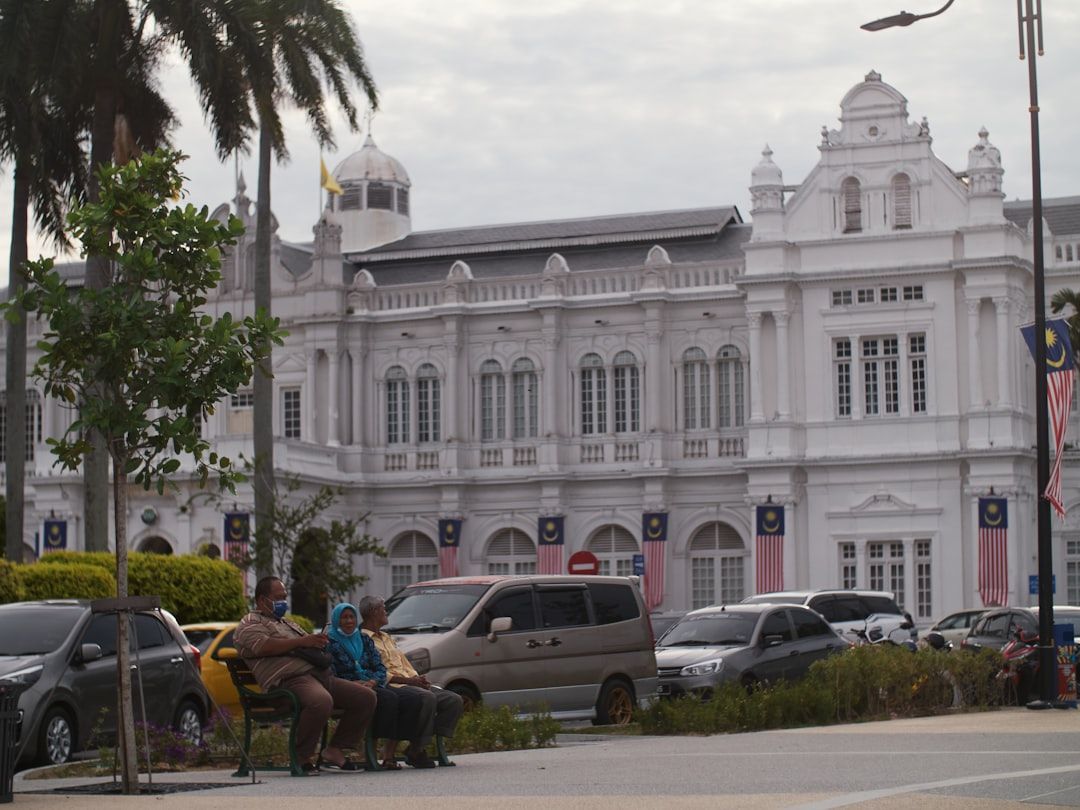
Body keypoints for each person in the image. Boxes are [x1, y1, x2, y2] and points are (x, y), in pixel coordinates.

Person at [234, 576, 376, 774]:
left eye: (284, 596)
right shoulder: (249, 624)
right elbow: (264, 646)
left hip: (319, 676)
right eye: (278, 597)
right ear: (261, 600)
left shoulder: (288, 624)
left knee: (365, 697)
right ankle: (301, 757)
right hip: (288, 682)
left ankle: (335, 749)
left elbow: (307, 643)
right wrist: (301, 643)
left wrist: (318, 642)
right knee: (321, 701)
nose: (283, 601)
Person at [359, 595, 464, 768]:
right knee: (426, 698)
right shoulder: (363, 638)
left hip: (410, 682)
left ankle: (415, 747)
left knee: (454, 700)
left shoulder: (386, 636)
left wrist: (417, 678)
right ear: (373, 612)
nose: (386, 612)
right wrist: (410, 682)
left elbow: (403, 662)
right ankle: (418, 750)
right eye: (383, 609)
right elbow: (376, 671)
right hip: (392, 685)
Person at [326, 602, 423, 770]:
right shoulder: (330, 642)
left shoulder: (363, 639)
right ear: (336, 620)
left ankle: (387, 751)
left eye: (351, 617)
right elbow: (331, 672)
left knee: (398, 698)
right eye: (344, 618)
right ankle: (372, 749)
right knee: (388, 698)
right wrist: (352, 683)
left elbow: (380, 667)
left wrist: (373, 681)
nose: (349, 621)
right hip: (348, 686)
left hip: (370, 683)